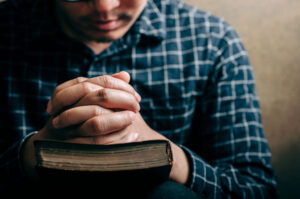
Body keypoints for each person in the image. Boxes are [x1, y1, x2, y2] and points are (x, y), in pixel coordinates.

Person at [0, 0, 277, 198]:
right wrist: (31, 154)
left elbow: (254, 188)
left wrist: (162, 153)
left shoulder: (212, 40)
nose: (104, 7)